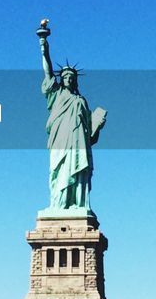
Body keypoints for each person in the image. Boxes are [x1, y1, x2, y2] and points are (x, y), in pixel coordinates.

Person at [39, 26, 106, 210]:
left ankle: (78, 203)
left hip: (79, 141)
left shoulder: (81, 101)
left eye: (71, 76)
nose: (68, 78)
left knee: (78, 171)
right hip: (60, 138)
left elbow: (90, 136)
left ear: (75, 80)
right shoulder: (56, 94)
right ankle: (58, 205)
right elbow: (48, 71)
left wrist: (98, 126)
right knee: (59, 171)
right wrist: (44, 46)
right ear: (62, 79)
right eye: (66, 76)